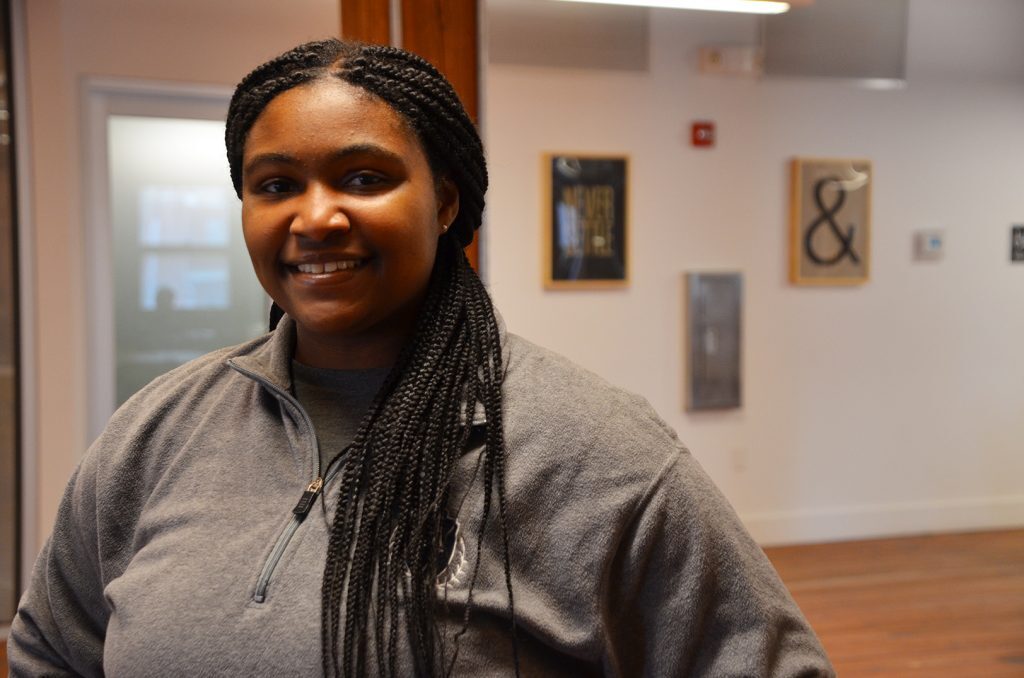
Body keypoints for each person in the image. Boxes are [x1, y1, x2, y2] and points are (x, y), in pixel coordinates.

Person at [9, 39, 834, 677]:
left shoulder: (592, 450)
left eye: (363, 178)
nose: (315, 218)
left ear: (443, 202)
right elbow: (50, 648)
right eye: (276, 185)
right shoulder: (160, 429)